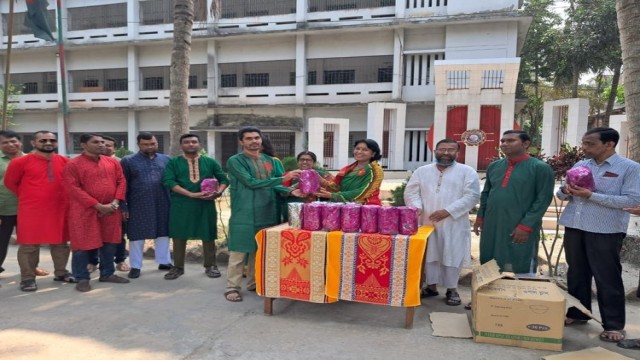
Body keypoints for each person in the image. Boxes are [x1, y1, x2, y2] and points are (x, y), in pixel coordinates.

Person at [558, 127, 640, 343]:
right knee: (576, 273)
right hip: (575, 226)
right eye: (584, 143)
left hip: (605, 230)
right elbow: (560, 192)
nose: (584, 148)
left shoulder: (629, 168)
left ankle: (613, 324)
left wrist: (591, 196)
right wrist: (565, 191)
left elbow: (632, 201)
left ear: (609, 144)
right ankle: (578, 313)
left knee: (607, 277)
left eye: (590, 144)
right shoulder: (581, 165)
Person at [224, 126, 300, 302]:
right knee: (239, 251)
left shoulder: (271, 161)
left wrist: (290, 191)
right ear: (241, 141)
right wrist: (284, 179)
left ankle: (254, 283)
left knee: (259, 251)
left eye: (256, 138)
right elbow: (251, 182)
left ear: (261, 139)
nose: (254, 141)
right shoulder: (235, 161)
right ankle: (232, 287)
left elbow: (277, 185)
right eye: (249, 139)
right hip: (244, 212)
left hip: (267, 211)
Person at [404, 138, 480, 306]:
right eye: (442, 149)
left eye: (451, 149)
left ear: (457, 153)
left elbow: (472, 195)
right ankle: (430, 287)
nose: (446, 152)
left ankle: (452, 289)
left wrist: (448, 211)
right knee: (429, 253)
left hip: (454, 222)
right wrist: (417, 208)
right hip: (426, 221)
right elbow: (411, 192)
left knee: (452, 254)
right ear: (435, 151)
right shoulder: (422, 171)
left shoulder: (467, 171)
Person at [473, 130, 554, 276]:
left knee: (520, 259)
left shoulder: (540, 168)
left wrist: (526, 226)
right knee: (490, 259)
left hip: (520, 224)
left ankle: (521, 295)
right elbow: (486, 194)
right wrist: (480, 217)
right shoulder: (494, 166)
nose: (504, 144)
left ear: (526, 144)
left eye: (510, 141)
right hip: (492, 223)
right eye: (503, 141)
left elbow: (543, 200)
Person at [4, 131, 74, 291]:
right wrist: (30, 196)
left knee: (61, 243)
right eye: (43, 140)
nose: (48, 143)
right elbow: (10, 183)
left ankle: (61, 272)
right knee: (29, 245)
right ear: (33, 143)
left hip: (60, 208)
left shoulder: (65, 161)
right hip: (31, 210)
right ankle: (28, 278)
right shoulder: (20, 162)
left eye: (52, 140)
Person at [63, 133, 129, 292]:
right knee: (82, 245)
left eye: (103, 142)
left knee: (110, 242)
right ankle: (82, 278)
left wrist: (114, 203)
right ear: (83, 145)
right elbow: (73, 189)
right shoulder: (73, 164)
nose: (102, 145)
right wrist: (98, 206)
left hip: (112, 210)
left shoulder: (112, 162)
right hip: (84, 211)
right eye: (96, 142)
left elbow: (121, 181)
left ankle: (107, 273)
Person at [161, 133, 229, 280]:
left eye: (193, 142)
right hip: (181, 204)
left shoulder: (210, 162)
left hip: (205, 204)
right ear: (181, 146)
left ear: (199, 145)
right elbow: (169, 181)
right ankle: (178, 267)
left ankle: (210, 265)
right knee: (179, 234)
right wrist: (190, 194)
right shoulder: (174, 163)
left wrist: (218, 192)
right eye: (186, 142)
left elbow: (224, 179)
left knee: (208, 233)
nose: (190, 144)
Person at [121, 132, 172, 279]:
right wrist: (123, 205)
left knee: (163, 232)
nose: (150, 147)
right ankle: (136, 266)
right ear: (139, 145)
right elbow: (122, 185)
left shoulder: (166, 159)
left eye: (153, 144)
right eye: (146, 144)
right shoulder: (128, 161)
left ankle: (164, 262)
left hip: (163, 201)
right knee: (136, 235)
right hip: (137, 203)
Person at [86, 135, 131, 274]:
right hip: (92, 207)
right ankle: (93, 261)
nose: (104, 146)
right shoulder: (87, 162)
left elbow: (124, 185)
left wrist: (121, 206)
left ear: (115, 148)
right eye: (100, 143)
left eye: (108, 145)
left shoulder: (121, 163)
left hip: (116, 207)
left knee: (118, 236)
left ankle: (120, 260)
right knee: (93, 234)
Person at [315, 139, 383, 205]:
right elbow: (335, 187)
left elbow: (364, 191)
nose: (359, 152)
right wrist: (319, 179)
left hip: (367, 208)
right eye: (357, 148)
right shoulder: (348, 169)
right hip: (347, 207)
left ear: (373, 154)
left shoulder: (375, 170)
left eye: (365, 150)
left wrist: (334, 196)